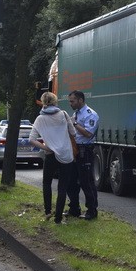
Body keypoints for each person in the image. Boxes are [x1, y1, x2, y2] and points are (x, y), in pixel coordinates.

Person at [29, 93, 79, 224]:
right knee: (62, 187)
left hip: (50, 155)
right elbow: (73, 133)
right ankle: (58, 218)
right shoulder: (63, 114)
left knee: (47, 183)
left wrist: (47, 148)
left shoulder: (40, 119)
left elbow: (31, 139)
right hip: (65, 154)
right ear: (55, 101)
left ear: (43, 102)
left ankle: (47, 212)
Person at [67, 90, 99, 220]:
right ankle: (74, 208)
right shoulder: (76, 113)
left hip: (85, 150)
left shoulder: (90, 114)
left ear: (80, 100)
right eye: (70, 101)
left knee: (86, 182)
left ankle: (92, 210)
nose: (70, 103)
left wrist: (74, 123)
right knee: (72, 181)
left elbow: (88, 134)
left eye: (72, 101)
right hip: (75, 149)